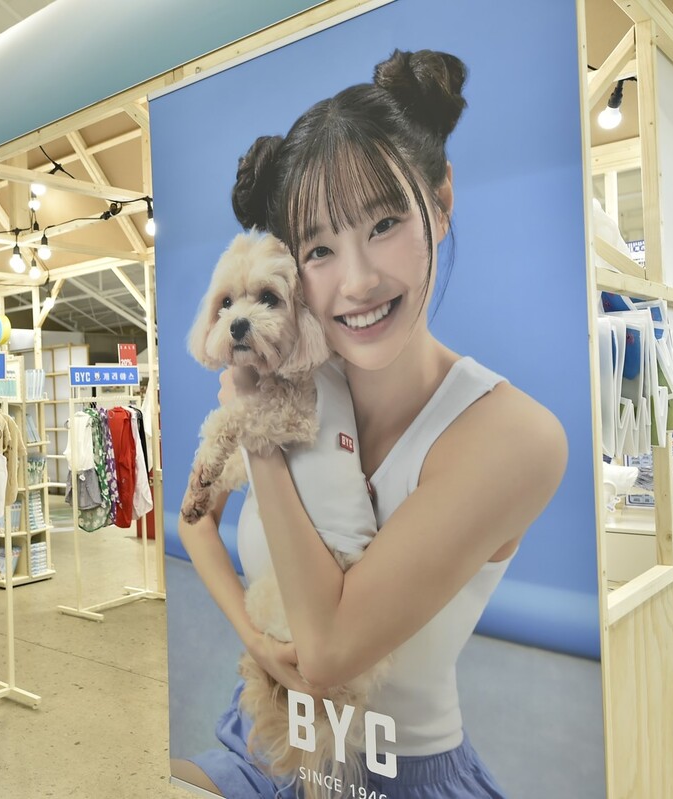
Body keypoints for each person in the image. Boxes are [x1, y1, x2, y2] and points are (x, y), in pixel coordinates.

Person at [172, 49, 567, 798]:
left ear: (440, 203)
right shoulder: (295, 375)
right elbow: (194, 520)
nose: (356, 281)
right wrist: (255, 639)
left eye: (384, 223)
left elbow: (327, 654)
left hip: (396, 777)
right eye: (319, 249)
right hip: (257, 741)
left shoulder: (514, 436)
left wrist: (260, 435)